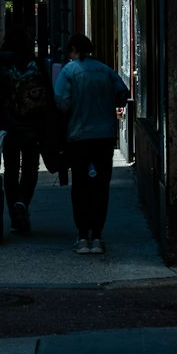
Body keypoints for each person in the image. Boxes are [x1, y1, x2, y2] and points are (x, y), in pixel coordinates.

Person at [0, 24, 52, 234]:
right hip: (33, 124)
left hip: (7, 127)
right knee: (31, 168)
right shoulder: (35, 63)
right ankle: (23, 202)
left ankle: (15, 211)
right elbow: (47, 96)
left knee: (11, 169)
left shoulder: (0, 64)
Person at [53, 34, 129, 254]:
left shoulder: (69, 71)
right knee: (100, 186)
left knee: (80, 186)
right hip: (104, 137)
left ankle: (82, 235)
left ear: (74, 50)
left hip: (78, 138)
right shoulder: (105, 70)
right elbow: (122, 93)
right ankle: (97, 235)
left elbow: (61, 101)